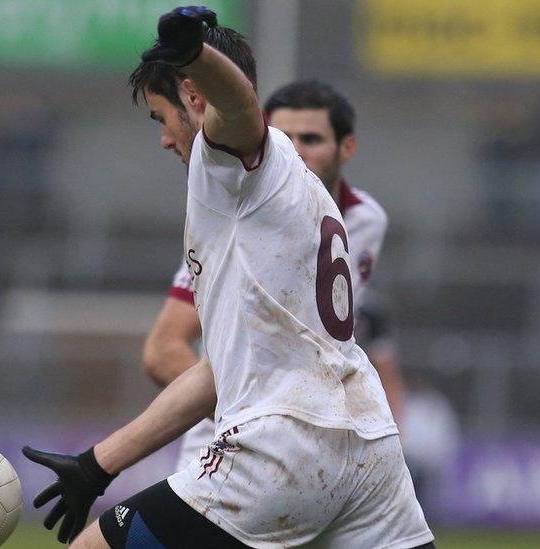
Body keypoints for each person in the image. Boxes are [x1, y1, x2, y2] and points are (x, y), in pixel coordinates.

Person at [23, 7, 433, 548]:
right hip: (369, 448)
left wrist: (193, 53)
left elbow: (238, 105)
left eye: (160, 118)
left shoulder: (231, 165)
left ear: (195, 99)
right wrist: (99, 464)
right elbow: (221, 370)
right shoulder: (293, 201)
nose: (165, 139)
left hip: (281, 449)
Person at [146, 79, 408, 473]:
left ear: (347, 147)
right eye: (283, 137)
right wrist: (256, 419)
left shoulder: (367, 220)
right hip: (227, 449)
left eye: (311, 138)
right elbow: (163, 351)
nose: (296, 150)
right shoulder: (231, 223)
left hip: (319, 449)